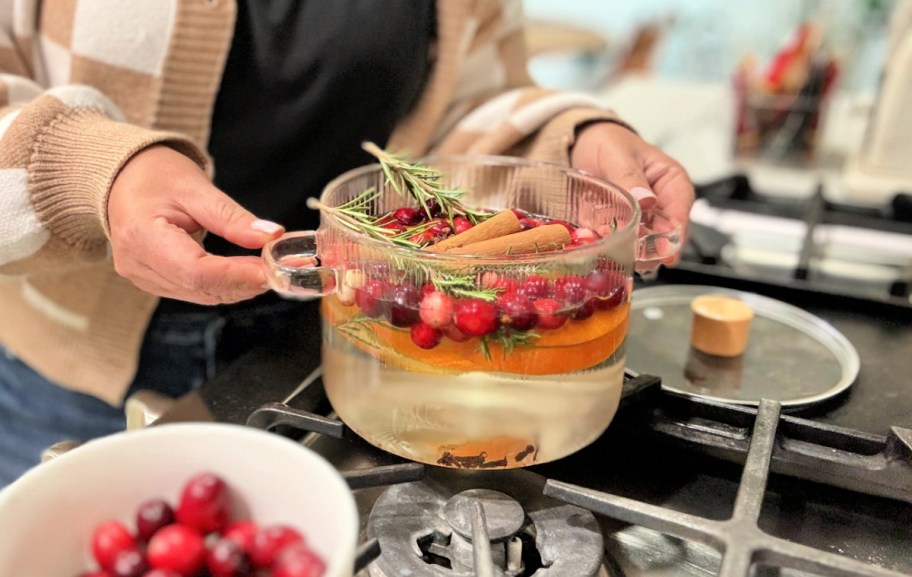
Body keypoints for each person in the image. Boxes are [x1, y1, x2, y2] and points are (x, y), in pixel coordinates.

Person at [0, 0, 694, 488]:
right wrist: (93, 171)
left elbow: (469, 99)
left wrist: (571, 142)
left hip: (347, 335)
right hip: (72, 372)